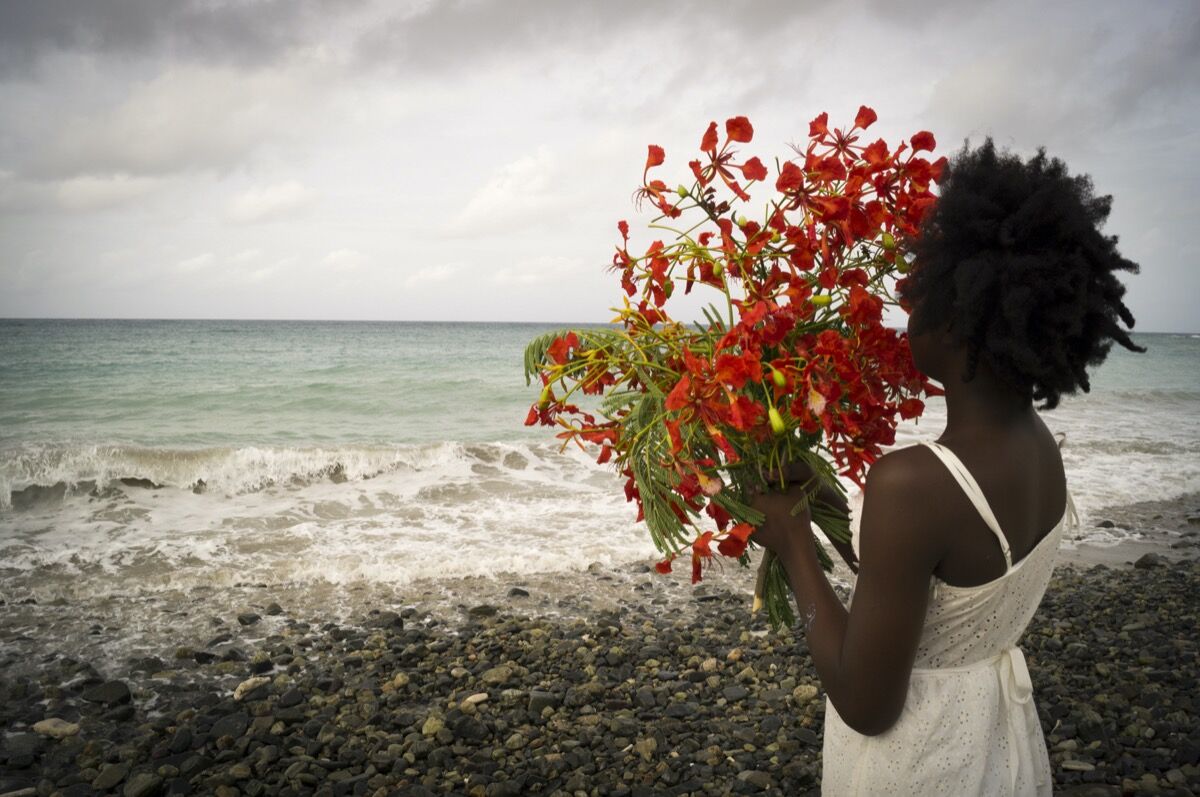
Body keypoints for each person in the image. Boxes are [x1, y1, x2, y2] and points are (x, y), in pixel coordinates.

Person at [750, 139, 1144, 796]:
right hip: (997, 737)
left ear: (961, 316)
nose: (905, 303)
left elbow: (866, 704)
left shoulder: (914, 484)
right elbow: (928, 591)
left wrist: (793, 543)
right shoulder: (1040, 446)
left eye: (922, 288)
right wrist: (821, 505)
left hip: (919, 760)